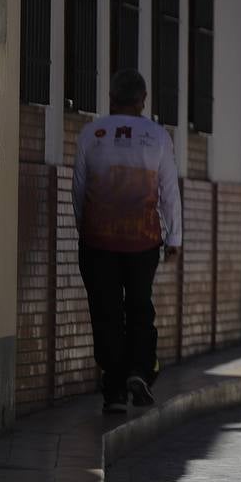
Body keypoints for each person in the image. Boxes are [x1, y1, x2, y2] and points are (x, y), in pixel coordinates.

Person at [72, 69, 182, 414]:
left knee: (105, 311)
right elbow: (169, 192)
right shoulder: (157, 136)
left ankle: (115, 389)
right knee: (138, 306)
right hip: (142, 240)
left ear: (111, 98)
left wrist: (84, 228)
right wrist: (174, 237)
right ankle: (140, 370)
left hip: (98, 239)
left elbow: (79, 188)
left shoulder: (92, 134)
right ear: (142, 100)